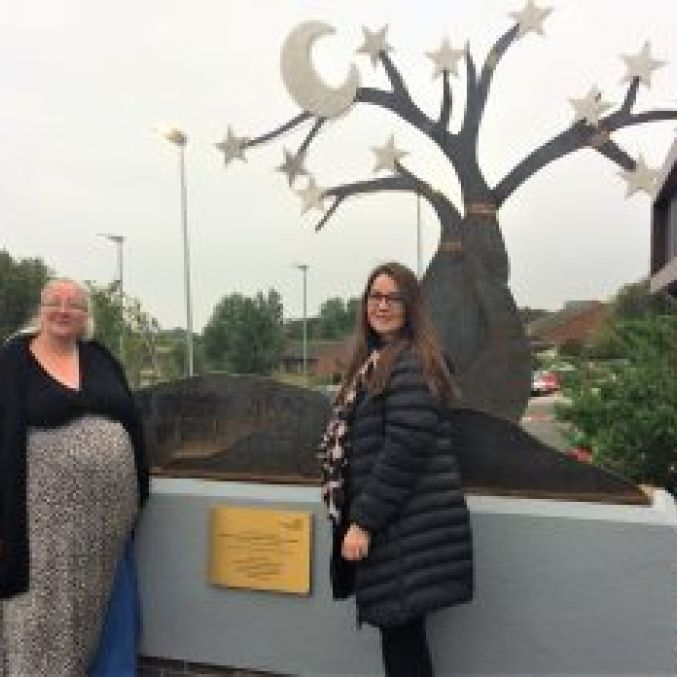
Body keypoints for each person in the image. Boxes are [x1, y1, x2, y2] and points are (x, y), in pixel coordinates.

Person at [318, 262, 473, 677]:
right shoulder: (376, 361)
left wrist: (363, 522)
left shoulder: (411, 363)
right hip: (400, 528)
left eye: (393, 297)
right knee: (401, 641)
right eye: (374, 297)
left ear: (411, 307)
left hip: (404, 530)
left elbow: (405, 449)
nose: (381, 305)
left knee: (403, 646)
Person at [0, 278, 149, 676]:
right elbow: (4, 436)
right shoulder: (15, 358)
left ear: (86, 317)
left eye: (75, 305)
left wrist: (139, 488)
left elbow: (131, 420)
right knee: (42, 616)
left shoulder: (98, 356)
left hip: (106, 526)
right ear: (41, 309)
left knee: (102, 616)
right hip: (44, 528)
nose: (64, 311)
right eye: (55, 302)